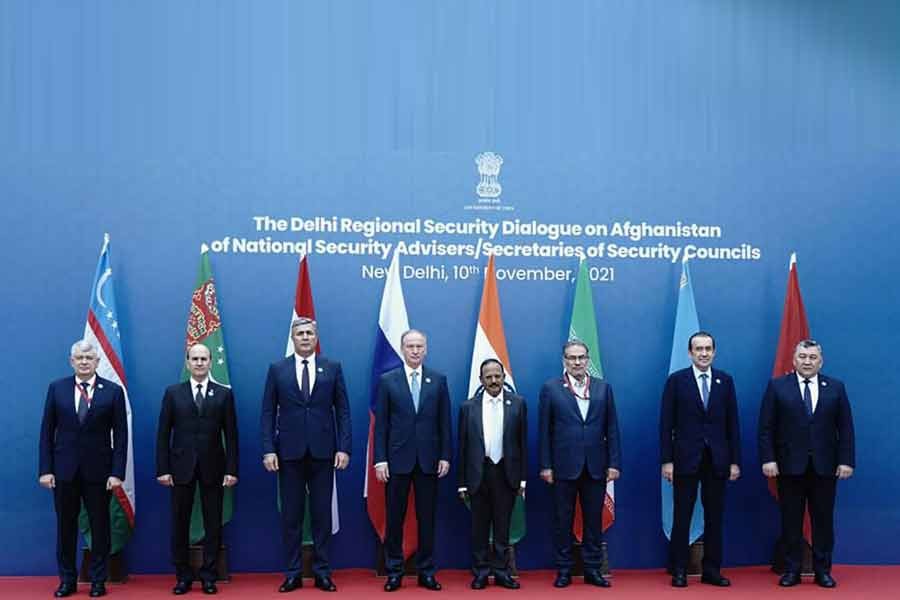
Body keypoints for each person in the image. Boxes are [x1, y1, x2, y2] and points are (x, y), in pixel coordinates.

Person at [261, 317, 351, 593]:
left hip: (324, 452)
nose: (304, 337)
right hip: (288, 453)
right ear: (293, 337)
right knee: (291, 516)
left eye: (309, 333)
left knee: (322, 515)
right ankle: (292, 573)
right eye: (299, 333)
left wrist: (344, 447)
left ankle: (323, 572)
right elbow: (267, 412)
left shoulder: (332, 368)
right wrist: (267, 450)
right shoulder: (278, 369)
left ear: (316, 337)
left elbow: (343, 411)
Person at [759, 339, 855, 588]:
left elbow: (845, 429)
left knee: (823, 521)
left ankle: (823, 570)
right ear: (794, 360)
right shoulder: (778, 386)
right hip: (789, 467)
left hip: (825, 467)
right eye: (803, 356)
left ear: (820, 361)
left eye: (813, 357)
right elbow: (766, 428)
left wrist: (846, 461)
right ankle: (792, 570)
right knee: (790, 520)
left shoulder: (835, 387)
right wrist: (768, 458)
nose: (807, 361)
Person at [38, 340, 128, 598]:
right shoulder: (57, 389)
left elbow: (121, 436)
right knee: (65, 528)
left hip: (100, 473)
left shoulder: (112, 391)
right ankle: (67, 580)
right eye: (79, 357)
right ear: (72, 361)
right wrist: (46, 469)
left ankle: (99, 580)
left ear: (97, 361)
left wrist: (117, 472)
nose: (84, 361)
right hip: (64, 471)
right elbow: (46, 432)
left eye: (89, 357)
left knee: (100, 527)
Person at [156, 343, 239, 595]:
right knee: (179, 522)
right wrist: (163, 469)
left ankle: (209, 575)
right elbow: (162, 435)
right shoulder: (173, 393)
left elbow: (232, 436)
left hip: (214, 468)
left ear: (211, 362)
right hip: (180, 468)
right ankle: (182, 576)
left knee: (213, 523)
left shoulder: (223, 394)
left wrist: (232, 469)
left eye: (204, 358)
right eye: (195, 359)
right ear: (188, 362)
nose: (200, 363)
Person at [659, 331, 741, 587]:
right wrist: (667, 461)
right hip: (685, 460)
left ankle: (712, 570)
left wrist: (734, 461)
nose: (703, 353)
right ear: (690, 353)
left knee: (715, 517)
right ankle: (680, 569)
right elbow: (665, 425)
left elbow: (733, 425)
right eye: (698, 349)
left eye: (708, 349)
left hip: (717, 461)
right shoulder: (676, 381)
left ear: (714, 352)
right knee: (682, 516)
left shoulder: (725, 381)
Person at [538, 340, 621, 588]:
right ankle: (564, 570)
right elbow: (544, 431)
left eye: (581, 358)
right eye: (572, 358)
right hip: (563, 466)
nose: (577, 362)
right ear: (564, 360)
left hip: (596, 466)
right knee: (562, 520)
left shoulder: (603, 388)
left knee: (593, 521)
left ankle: (593, 570)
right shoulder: (551, 388)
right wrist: (546, 465)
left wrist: (614, 462)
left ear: (588, 360)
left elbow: (612, 428)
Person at [374, 329, 452, 592]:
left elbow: (444, 423)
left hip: (429, 461)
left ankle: (426, 571)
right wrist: (380, 459)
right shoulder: (388, 380)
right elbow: (381, 425)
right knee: (395, 518)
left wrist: (444, 455)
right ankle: (394, 571)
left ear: (426, 349)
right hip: (396, 461)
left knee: (427, 519)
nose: (415, 351)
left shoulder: (438, 380)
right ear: (402, 349)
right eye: (410, 346)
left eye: (420, 346)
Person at [457, 359, 526, 590]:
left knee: (503, 526)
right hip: (479, 473)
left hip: (506, 473)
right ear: (481, 380)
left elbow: (522, 443)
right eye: (489, 377)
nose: (494, 380)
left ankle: (501, 571)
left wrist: (522, 479)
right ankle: (481, 572)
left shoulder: (517, 404)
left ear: (504, 378)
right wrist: (462, 483)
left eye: (497, 376)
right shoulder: (468, 407)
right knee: (479, 527)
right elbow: (463, 447)